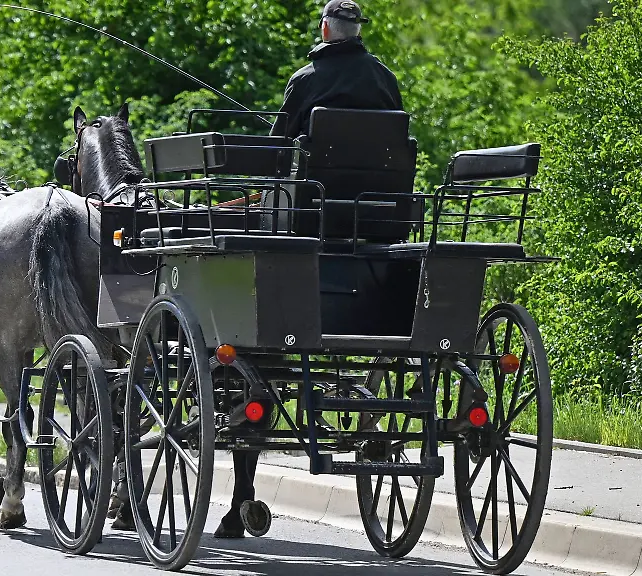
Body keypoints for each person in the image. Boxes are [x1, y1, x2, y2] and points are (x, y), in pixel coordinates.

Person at [215, 1, 403, 540]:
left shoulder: (306, 79)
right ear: (358, 32)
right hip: (378, 227)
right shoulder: (385, 81)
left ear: (324, 29)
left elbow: (277, 154)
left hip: (311, 226)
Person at [269, 0, 403, 140]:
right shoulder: (385, 77)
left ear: (325, 27)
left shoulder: (303, 79)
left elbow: (278, 144)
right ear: (358, 31)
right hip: (379, 162)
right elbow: (399, 134)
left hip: (316, 162)